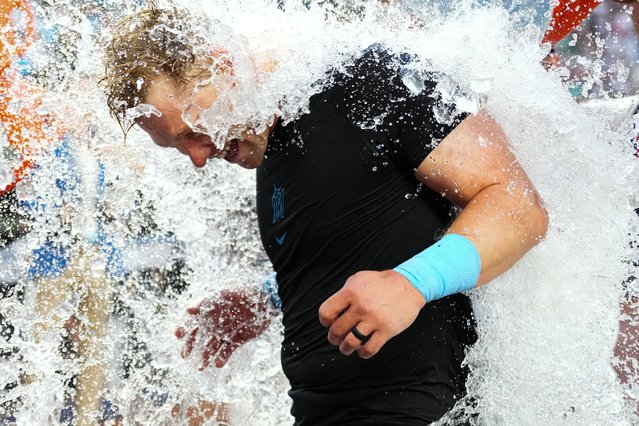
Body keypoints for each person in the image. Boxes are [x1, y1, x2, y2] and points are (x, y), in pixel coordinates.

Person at [102, 3, 549, 424]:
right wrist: (266, 299)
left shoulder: (371, 81)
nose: (197, 157)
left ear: (225, 65)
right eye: (177, 146)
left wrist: (414, 283)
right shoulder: (270, 150)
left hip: (428, 409)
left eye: (191, 132)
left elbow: (517, 206)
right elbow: (371, 241)